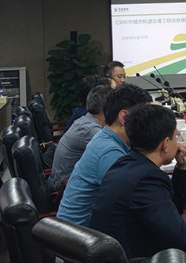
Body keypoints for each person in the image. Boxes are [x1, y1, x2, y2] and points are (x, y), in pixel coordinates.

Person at [90, 104, 186, 258]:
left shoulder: (126, 163)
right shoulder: (146, 179)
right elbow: (184, 239)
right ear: (166, 144)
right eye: (175, 137)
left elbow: (171, 209)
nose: (178, 143)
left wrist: (182, 168)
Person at [56, 84, 152, 226]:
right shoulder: (109, 152)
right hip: (80, 236)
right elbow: (143, 199)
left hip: (84, 231)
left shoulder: (107, 137)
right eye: (146, 116)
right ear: (124, 117)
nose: (151, 123)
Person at [48, 85, 112, 191]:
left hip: (62, 181)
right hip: (64, 188)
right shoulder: (91, 130)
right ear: (107, 108)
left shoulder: (85, 121)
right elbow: (113, 157)